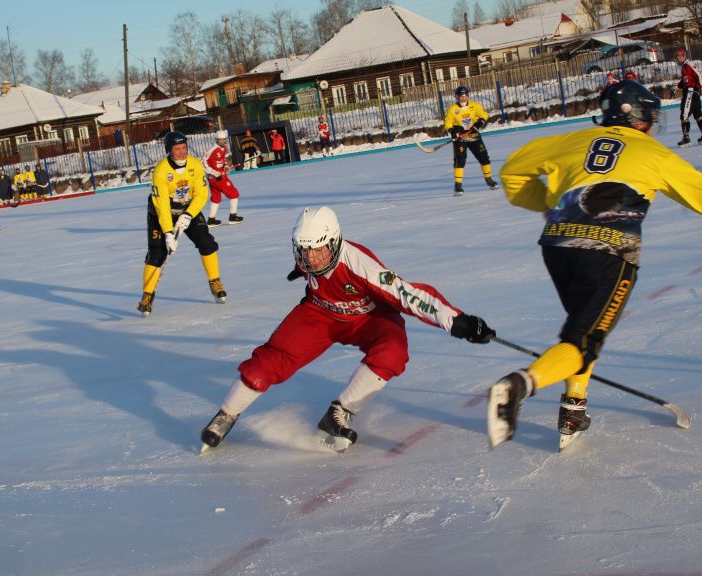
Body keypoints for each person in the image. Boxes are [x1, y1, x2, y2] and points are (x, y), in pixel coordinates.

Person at [487, 80, 702, 450]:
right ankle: (519, 385)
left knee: (587, 330)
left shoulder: (571, 140)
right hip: (609, 251)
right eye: (650, 117)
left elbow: (512, 171)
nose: (652, 124)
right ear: (639, 118)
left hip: (558, 246)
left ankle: (573, 408)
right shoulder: (653, 154)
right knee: (581, 343)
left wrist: (550, 204)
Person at [199, 206, 497, 452]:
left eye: (317, 251)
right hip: (320, 313)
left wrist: (457, 320)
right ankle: (226, 414)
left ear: (334, 242)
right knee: (271, 359)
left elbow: (408, 295)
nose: (310, 258)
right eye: (304, 251)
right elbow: (308, 264)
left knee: (392, 352)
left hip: (369, 318)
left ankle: (339, 413)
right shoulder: (309, 257)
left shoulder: (358, 263)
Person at [137, 130, 226, 317]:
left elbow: (201, 193)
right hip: (162, 213)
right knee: (157, 253)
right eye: (177, 149)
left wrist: (188, 215)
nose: (182, 152)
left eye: (184, 147)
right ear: (169, 150)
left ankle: (215, 282)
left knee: (207, 242)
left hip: (188, 209)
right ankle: (147, 295)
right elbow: (161, 205)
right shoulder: (161, 170)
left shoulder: (195, 165)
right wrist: (168, 233)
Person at [444, 85, 498, 196]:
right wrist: (453, 131)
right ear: (457, 97)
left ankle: (489, 180)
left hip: (473, 135)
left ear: (467, 96)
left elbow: (484, 115)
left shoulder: (474, 105)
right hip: (460, 137)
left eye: (465, 96)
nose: (463, 98)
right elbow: (447, 124)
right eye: (460, 96)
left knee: (484, 157)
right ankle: (458, 186)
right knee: (460, 159)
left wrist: (478, 124)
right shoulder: (453, 109)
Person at [203, 130, 243, 227]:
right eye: (222, 139)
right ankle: (233, 217)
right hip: (217, 178)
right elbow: (203, 163)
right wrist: (214, 172)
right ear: (217, 140)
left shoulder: (224, 148)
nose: (224, 141)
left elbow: (223, 159)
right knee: (233, 193)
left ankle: (211, 220)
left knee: (216, 197)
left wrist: (225, 166)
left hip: (218, 177)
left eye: (225, 139)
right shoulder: (212, 150)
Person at [674, 48, 702, 147]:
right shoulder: (684, 67)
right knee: (697, 114)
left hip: (690, 92)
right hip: (692, 91)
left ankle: (686, 138)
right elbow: (685, 80)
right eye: (676, 57)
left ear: (683, 56)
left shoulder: (689, 64)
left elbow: (699, 74)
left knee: (684, 115)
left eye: (678, 57)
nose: (677, 59)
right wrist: (678, 86)